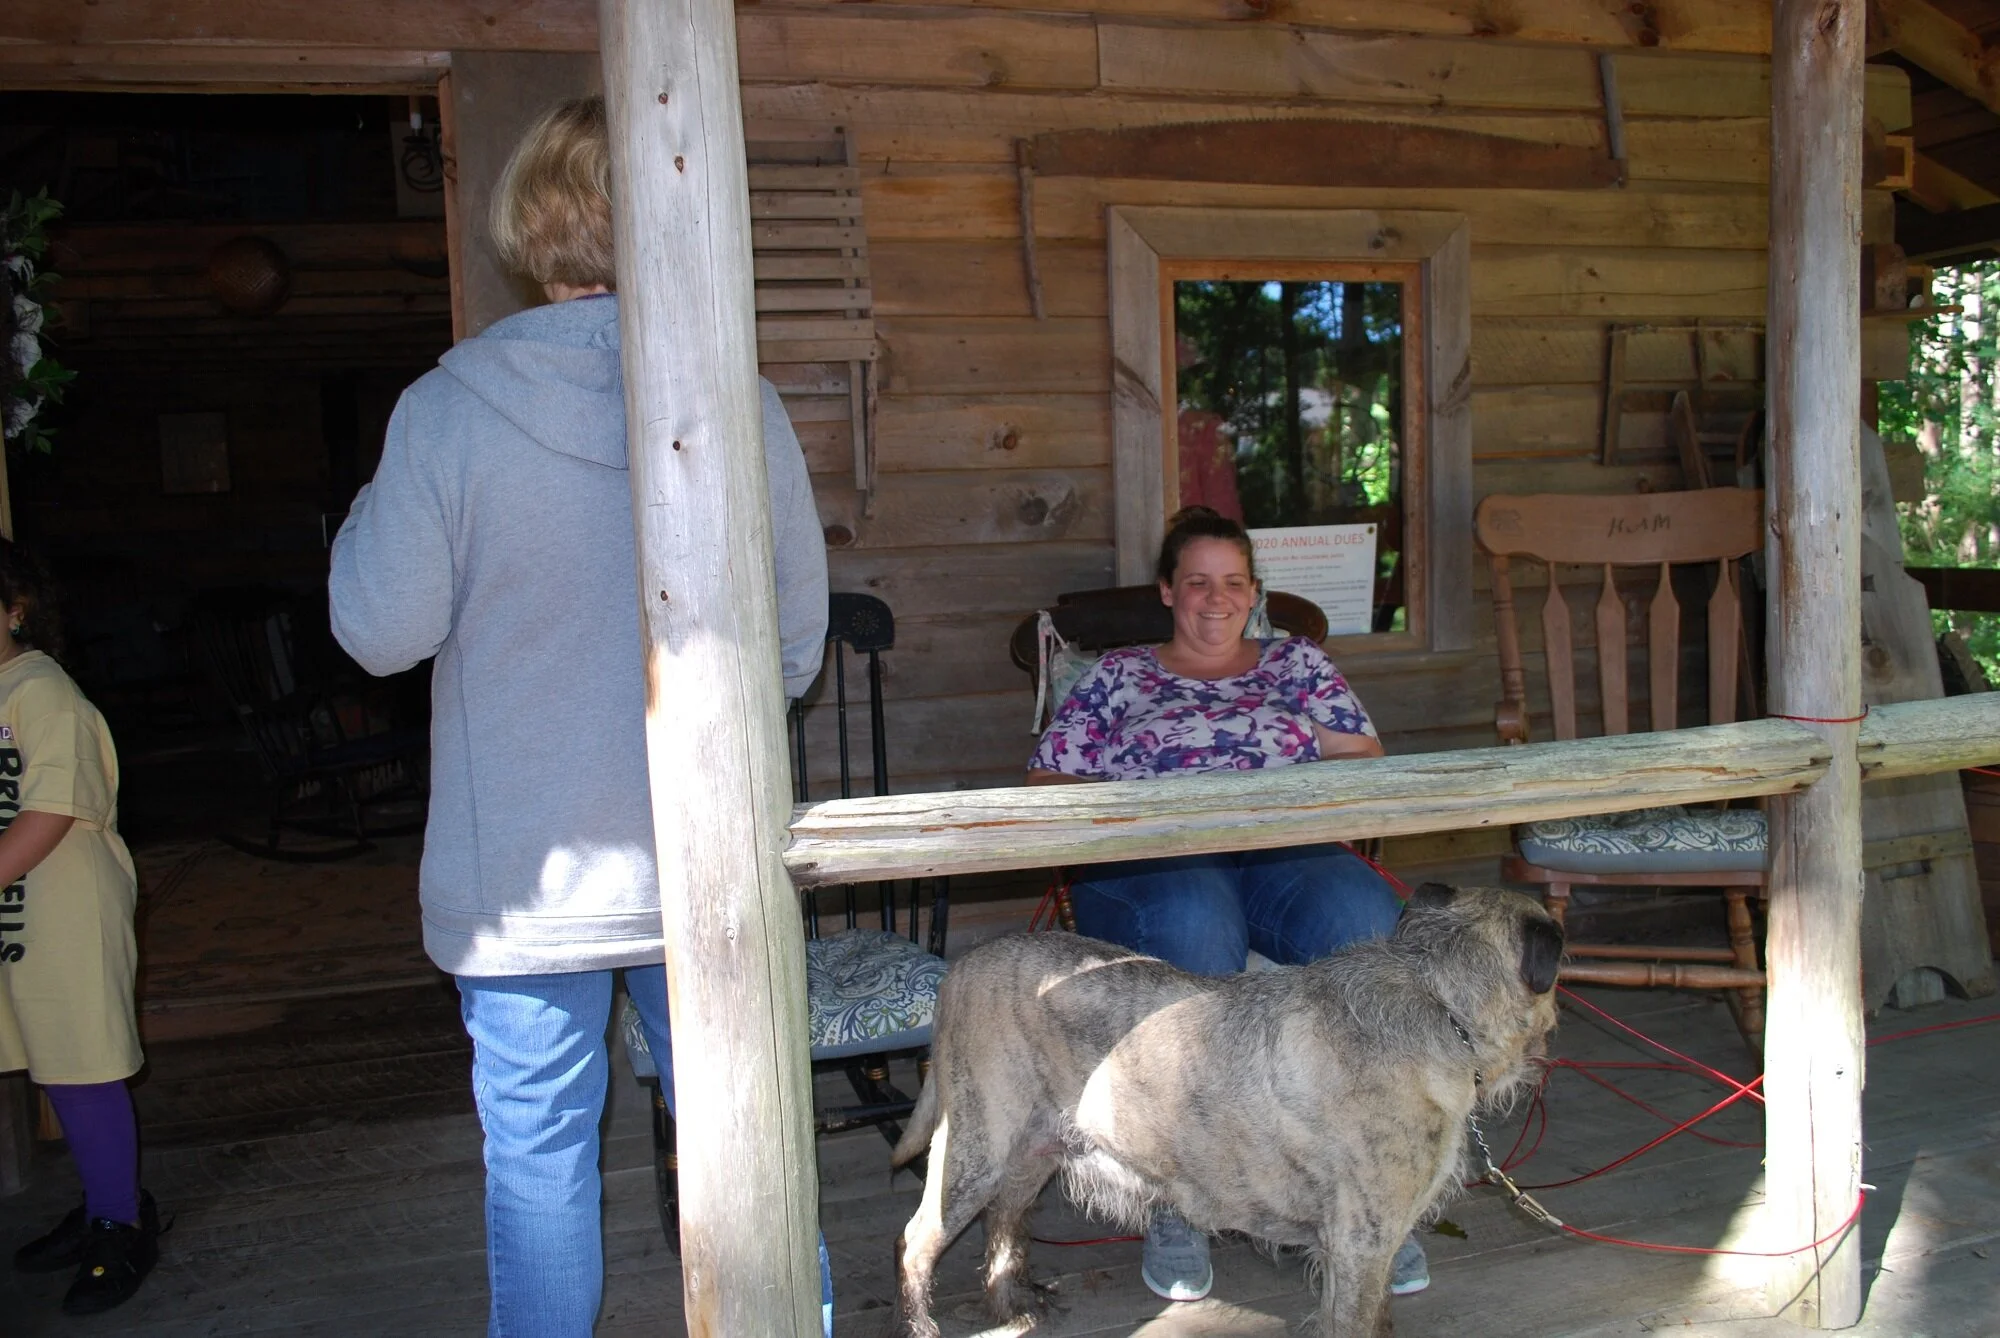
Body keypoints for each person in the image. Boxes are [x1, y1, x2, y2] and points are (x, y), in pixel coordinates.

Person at [327, 97, 831, 1338]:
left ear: (530, 224)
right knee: (743, 1143)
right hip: (699, 866)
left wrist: (361, 518)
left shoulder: (444, 411)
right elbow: (796, 647)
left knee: (540, 1160)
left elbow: (376, 628)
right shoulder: (739, 401)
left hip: (525, 883)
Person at [1025, 504, 1428, 1304]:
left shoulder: (1299, 666)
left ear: (1255, 593)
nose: (1216, 599)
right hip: (1154, 863)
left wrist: (1292, 732)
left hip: (1285, 852)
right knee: (1197, 925)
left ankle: (1365, 1191)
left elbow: (1367, 758)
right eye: (1198, 582)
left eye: (1234, 583)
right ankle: (1183, 1190)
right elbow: (1045, 781)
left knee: (1363, 919)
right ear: (1168, 592)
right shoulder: (1119, 676)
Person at [0, 542, 160, 1315]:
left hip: (67, 910)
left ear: (14, 608)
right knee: (51, 1059)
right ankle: (105, 1193)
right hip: (22, 912)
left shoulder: (39, 690)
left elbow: (51, 808)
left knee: (82, 1064)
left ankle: (122, 1223)